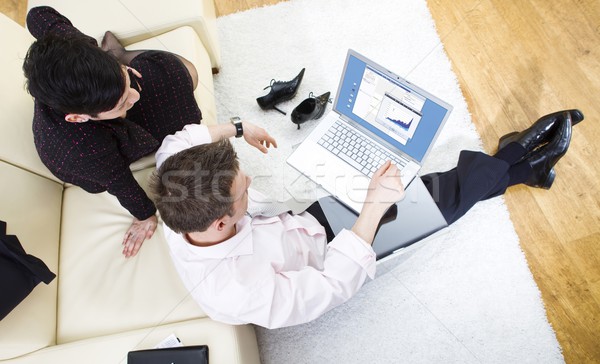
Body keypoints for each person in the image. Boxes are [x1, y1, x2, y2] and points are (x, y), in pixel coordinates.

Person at [149, 107, 580, 329]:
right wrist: (372, 208)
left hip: (300, 221)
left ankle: (525, 169)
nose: (249, 183)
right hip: (328, 254)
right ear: (220, 223)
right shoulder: (237, 290)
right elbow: (328, 288)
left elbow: (179, 141)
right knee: (436, 208)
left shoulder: (175, 182)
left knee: (421, 187)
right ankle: (519, 158)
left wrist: (238, 129)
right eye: (243, 190)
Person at [21, 6, 273, 257]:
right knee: (178, 76)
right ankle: (118, 59)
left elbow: (37, 14)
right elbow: (120, 183)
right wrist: (145, 216)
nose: (136, 95)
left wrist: (117, 78)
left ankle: (117, 57)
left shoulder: (66, 44)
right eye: (122, 102)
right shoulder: (82, 150)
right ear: (78, 117)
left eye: (126, 80)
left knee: (180, 72)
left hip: (101, 102)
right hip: (98, 152)